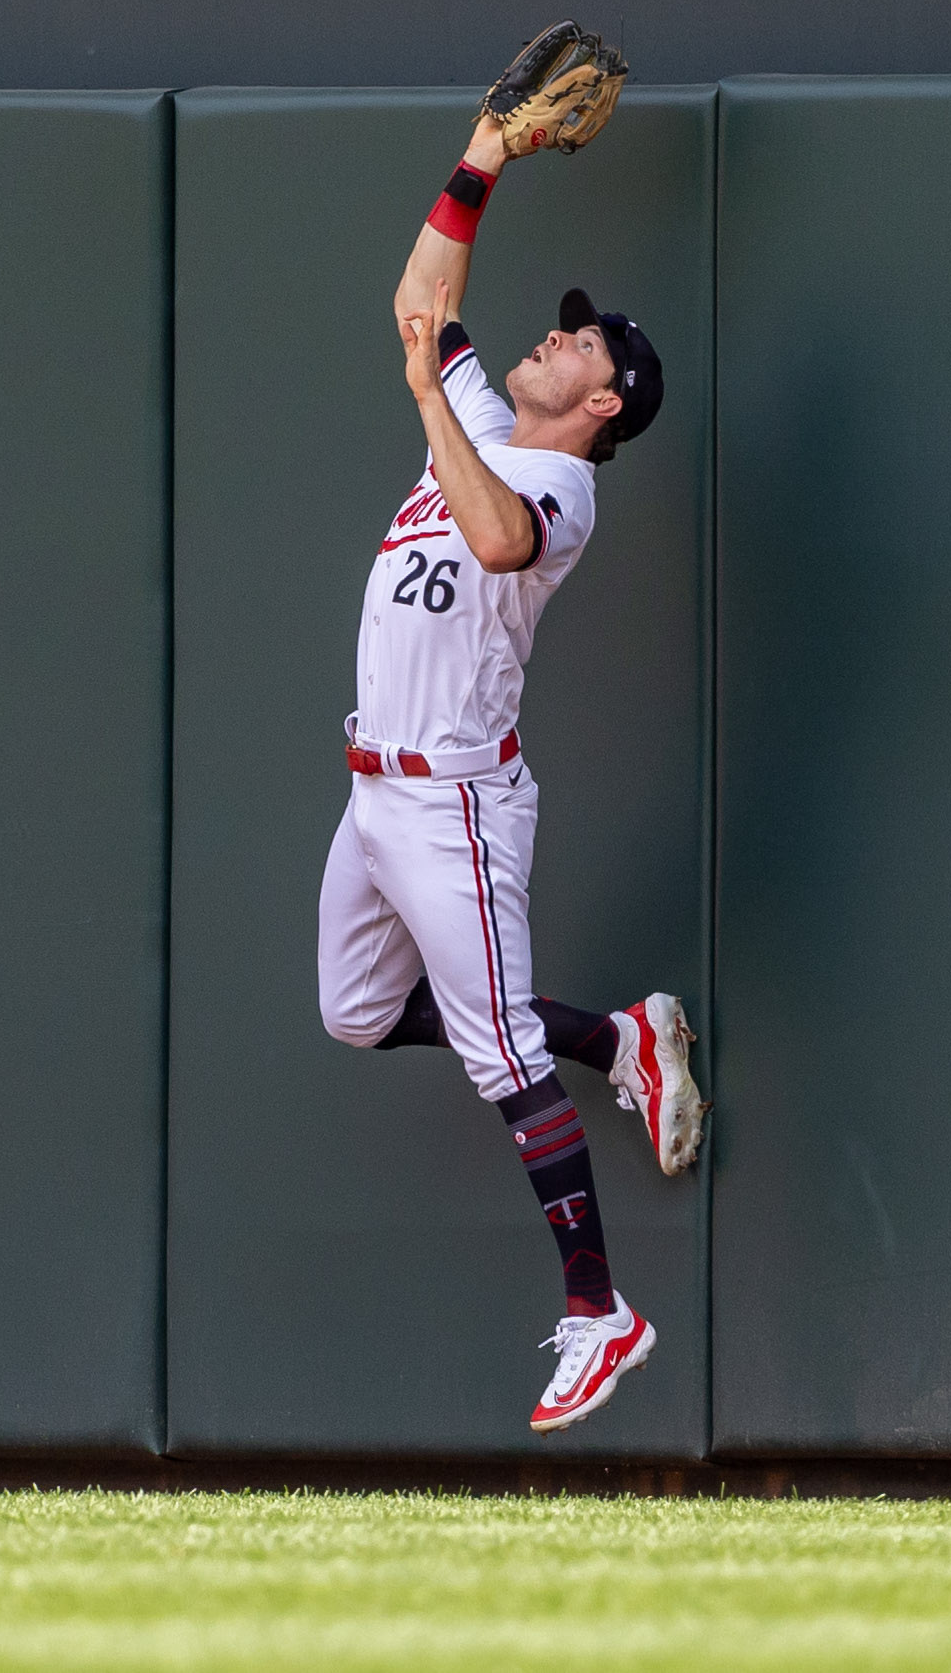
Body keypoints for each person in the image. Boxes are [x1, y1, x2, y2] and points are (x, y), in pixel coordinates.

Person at [314, 96, 698, 1433]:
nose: (551, 332)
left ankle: (601, 1312)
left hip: (456, 803)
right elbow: (423, 293)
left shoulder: (566, 488)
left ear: (600, 400)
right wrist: (483, 155)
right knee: (357, 1011)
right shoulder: (485, 406)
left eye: (576, 340)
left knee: (499, 1062)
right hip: (375, 792)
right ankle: (622, 1037)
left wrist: (429, 395)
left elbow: (490, 538)